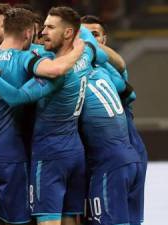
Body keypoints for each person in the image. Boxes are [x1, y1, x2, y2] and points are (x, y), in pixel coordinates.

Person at [0, 6, 101, 225]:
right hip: (74, 151)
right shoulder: (85, 54)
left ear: (68, 33)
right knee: (71, 218)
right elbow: (95, 47)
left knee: (48, 220)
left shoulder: (55, 76)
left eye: (50, 27)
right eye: (43, 27)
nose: (42, 32)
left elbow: (15, 97)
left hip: (50, 155)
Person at [81, 15, 147, 225]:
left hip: (122, 150)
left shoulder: (110, 67)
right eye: (83, 34)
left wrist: (86, 43)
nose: (88, 39)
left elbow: (121, 67)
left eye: (94, 35)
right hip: (112, 153)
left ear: (104, 39)